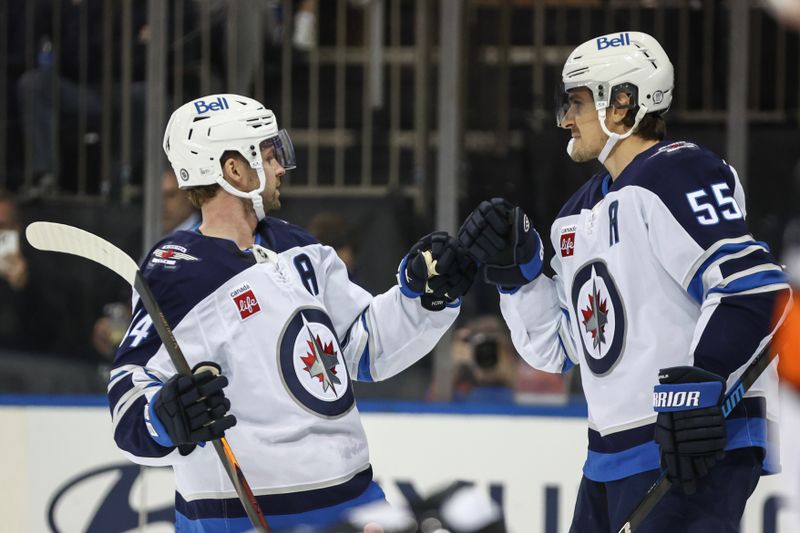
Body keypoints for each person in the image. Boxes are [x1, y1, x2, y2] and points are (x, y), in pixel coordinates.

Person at [458, 32, 791, 532]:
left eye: (577, 102)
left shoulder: (682, 171)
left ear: (622, 104)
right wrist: (519, 274)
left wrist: (703, 380)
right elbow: (560, 350)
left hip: (691, 441)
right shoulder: (575, 217)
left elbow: (753, 288)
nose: (567, 119)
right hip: (609, 456)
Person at [107, 93, 476, 532]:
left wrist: (422, 297)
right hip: (243, 516)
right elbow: (128, 395)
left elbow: (364, 348)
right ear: (233, 169)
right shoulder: (177, 272)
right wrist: (162, 417)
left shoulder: (301, 248)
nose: (280, 166)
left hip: (353, 499)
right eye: (268, 154)